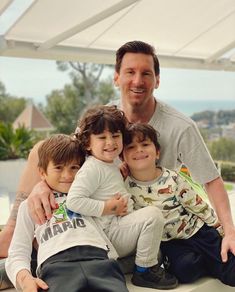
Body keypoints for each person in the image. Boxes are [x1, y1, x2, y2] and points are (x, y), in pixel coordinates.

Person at [0, 40, 234, 263]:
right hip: (95, 211)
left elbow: (211, 179)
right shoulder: (105, 119)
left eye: (146, 73)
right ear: (116, 78)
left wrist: (230, 232)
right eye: (130, 72)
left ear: (157, 80)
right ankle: (12, 234)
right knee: (41, 149)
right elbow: (65, 156)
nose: (137, 81)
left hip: (142, 218)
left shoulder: (181, 126)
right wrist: (41, 184)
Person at [66, 105, 178, 289]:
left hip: (118, 232)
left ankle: (113, 267)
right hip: (111, 232)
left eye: (116, 136)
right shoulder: (92, 168)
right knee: (153, 215)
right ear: (87, 143)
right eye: (102, 138)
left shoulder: (109, 163)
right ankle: (144, 273)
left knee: (156, 253)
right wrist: (108, 207)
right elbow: (74, 201)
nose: (110, 142)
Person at [5, 134, 129, 292]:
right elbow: (17, 252)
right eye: (58, 167)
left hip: (100, 260)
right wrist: (24, 278)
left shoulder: (91, 194)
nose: (67, 176)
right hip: (57, 266)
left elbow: (106, 174)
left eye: (74, 167)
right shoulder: (30, 205)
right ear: (42, 172)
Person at [122, 123, 235, 286]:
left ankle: (216, 262)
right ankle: (205, 262)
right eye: (131, 147)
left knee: (230, 271)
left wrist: (221, 229)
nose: (139, 150)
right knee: (186, 271)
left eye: (145, 144)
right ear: (122, 157)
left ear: (157, 152)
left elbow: (197, 205)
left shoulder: (173, 179)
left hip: (198, 231)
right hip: (171, 243)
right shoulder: (125, 187)